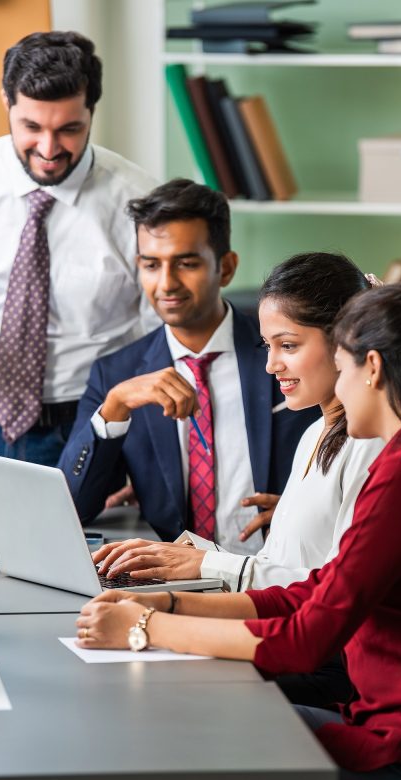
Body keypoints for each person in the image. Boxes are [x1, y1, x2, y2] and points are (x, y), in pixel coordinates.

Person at [74, 285, 401, 780]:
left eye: (340, 370)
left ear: (373, 368)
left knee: (183, 740)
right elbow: (315, 590)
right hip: (394, 727)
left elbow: (306, 639)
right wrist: (165, 601)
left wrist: (144, 627)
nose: (336, 389)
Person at [0, 31, 157, 501]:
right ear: (6, 103)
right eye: (31, 126)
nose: (48, 147)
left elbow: (161, 335)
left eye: (69, 129)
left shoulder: (137, 200)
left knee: (72, 574)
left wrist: (143, 445)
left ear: (91, 111)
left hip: (85, 428)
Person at [90, 253, 384, 598]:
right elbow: (277, 565)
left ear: (346, 341)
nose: (271, 365)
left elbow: (336, 594)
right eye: (267, 346)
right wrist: (185, 556)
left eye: (287, 345)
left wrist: (204, 566)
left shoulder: (371, 445)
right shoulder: (312, 435)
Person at [59, 180, 319, 552]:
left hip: (276, 571)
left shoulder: (285, 352)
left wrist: (304, 511)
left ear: (225, 268)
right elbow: (72, 507)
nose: (167, 283)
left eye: (186, 263)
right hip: (174, 580)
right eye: (151, 264)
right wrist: (115, 406)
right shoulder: (116, 375)